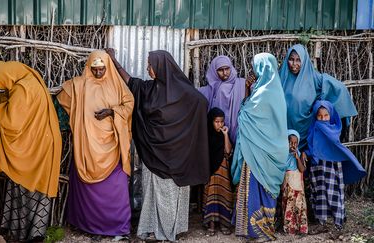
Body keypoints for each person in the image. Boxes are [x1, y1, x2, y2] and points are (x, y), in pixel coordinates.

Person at [106, 48, 209, 241]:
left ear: (162, 67)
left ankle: (168, 231)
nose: (147, 68)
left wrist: (185, 135)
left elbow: (201, 103)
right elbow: (131, 82)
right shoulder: (149, 89)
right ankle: (153, 228)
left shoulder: (186, 93)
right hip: (154, 154)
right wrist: (114, 61)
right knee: (152, 193)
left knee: (170, 195)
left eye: (150, 65)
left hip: (176, 158)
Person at [0, 61, 62, 241]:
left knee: (29, 187)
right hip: (42, 143)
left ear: (6, 76)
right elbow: (9, 100)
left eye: (1, 83)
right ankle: (29, 233)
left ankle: (32, 234)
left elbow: (12, 122)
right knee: (31, 187)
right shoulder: (29, 79)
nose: (2, 87)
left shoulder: (22, 89)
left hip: (36, 148)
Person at [56, 50, 134, 240]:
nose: (99, 73)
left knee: (116, 190)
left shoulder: (117, 86)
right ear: (89, 67)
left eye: (102, 69)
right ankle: (89, 226)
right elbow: (61, 100)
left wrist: (111, 112)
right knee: (88, 192)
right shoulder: (79, 85)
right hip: (87, 148)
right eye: (95, 69)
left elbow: (129, 105)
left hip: (112, 148)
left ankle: (118, 227)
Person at [231, 53, 288, 241]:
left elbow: (245, 115)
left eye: (256, 66)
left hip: (257, 151)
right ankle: (262, 228)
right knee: (262, 187)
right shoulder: (274, 90)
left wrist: (247, 96)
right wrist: (248, 91)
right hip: (268, 150)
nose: (254, 71)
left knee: (254, 186)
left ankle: (254, 229)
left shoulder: (264, 93)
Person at [279, 44, 357, 159]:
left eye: (298, 60)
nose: (294, 64)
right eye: (291, 59)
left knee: (304, 167)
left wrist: (335, 111)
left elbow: (339, 88)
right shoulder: (281, 77)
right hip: (284, 132)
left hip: (305, 132)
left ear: (304, 61)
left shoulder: (314, 79)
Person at [306, 100, 366, 235]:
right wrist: (306, 153)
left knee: (334, 192)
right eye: (319, 116)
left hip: (331, 165)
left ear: (331, 115)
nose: (322, 119)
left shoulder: (334, 129)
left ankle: (338, 223)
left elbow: (336, 145)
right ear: (315, 116)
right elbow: (312, 145)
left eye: (326, 115)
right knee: (319, 192)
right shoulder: (314, 128)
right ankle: (321, 222)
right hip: (317, 166)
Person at [198, 55, 246, 144]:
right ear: (214, 71)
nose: (225, 72)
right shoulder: (208, 90)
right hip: (217, 136)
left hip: (239, 132)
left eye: (227, 69)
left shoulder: (242, 84)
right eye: (220, 70)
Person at [202, 107, 233, 236]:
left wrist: (225, 135)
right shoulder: (206, 136)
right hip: (210, 172)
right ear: (211, 122)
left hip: (223, 172)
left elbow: (228, 151)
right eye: (216, 122)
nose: (219, 125)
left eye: (222, 122)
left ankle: (224, 223)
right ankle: (211, 224)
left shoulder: (223, 136)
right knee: (211, 194)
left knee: (224, 195)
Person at [281, 129, 308, 235]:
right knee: (288, 205)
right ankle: (289, 228)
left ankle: (301, 228)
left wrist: (297, 158)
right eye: (290, 142)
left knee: (299, 205)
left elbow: (302, 169)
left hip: (297, 185)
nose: (293, 145)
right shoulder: (282, 156)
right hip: (287, 184)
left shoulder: (299, 154)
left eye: (295, 143)